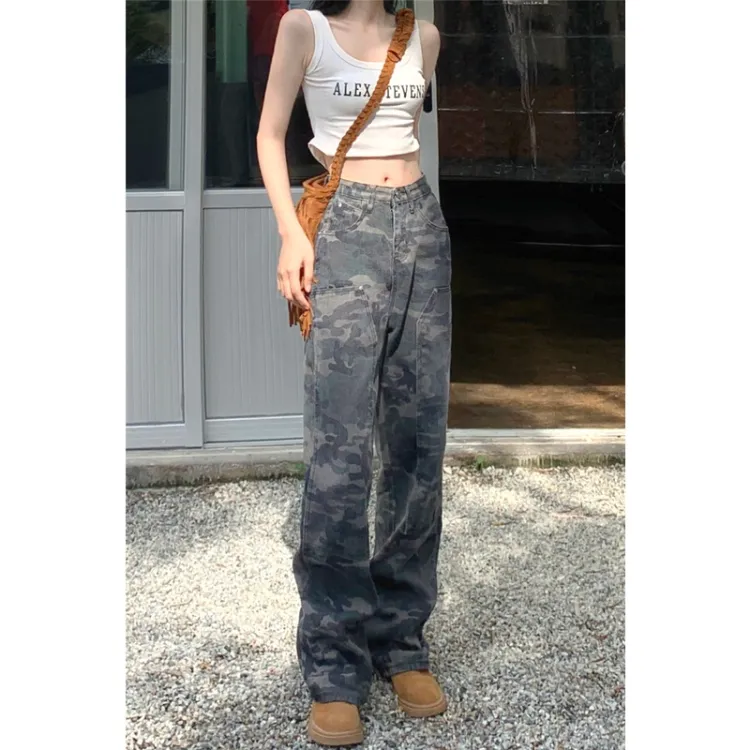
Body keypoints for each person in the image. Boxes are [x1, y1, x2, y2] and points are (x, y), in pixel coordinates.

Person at [257, 1, 450, 745]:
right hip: (344, 229)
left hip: (420, 226)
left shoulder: (423, 37)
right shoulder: (304, 29)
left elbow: (409, 137)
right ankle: (334, 662)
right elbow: (271, 135)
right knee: (339, 452)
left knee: (417, 443)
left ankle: (402, 640)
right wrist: (290, 234)